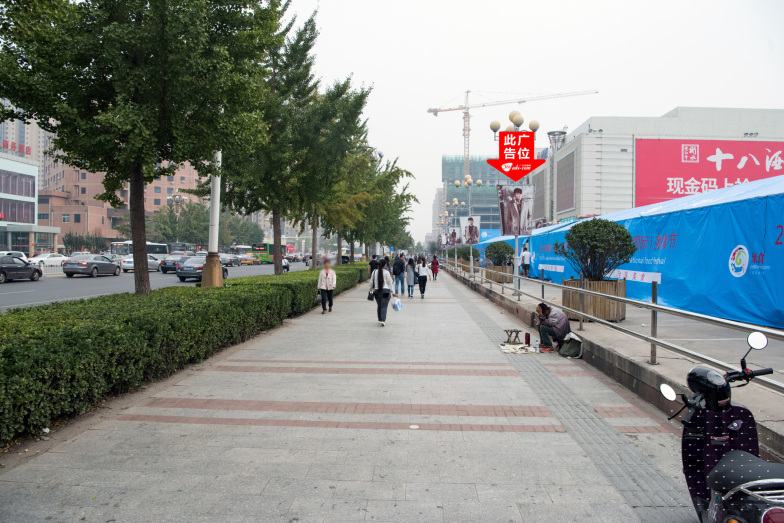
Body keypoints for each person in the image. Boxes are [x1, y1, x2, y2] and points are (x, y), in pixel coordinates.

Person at [369, 258, 396, 326]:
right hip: (386, 291)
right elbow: (390, 283)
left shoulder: (374, 272)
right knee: (384, 306)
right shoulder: (386, 272)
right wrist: (393, 292)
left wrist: (370, 290)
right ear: (385, 265)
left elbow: (371, 282)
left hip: (377, 291)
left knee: (379, 305)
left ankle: (380, 319)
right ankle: (383, 320)